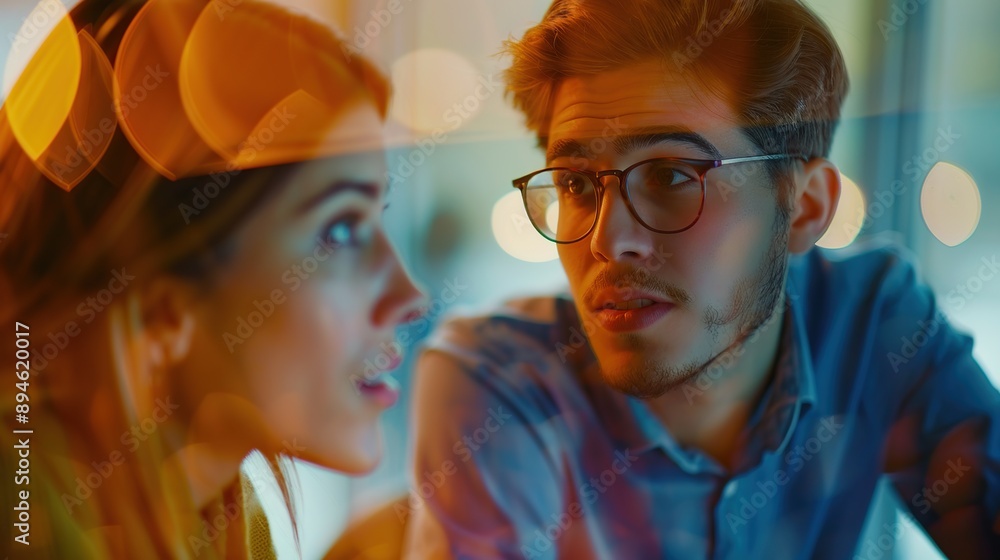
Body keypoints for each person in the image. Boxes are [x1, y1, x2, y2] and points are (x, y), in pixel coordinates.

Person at [402, 0, 1000, 558]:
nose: (609, 242)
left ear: (805, 208)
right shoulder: (498, 383)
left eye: (670, 176)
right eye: (577, 184)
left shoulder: (871, 320)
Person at [0, 0, 424, 558]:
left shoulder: (228, 523)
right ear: (164, 309)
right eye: (340, 230)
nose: (409, 297)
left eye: (378, 219)